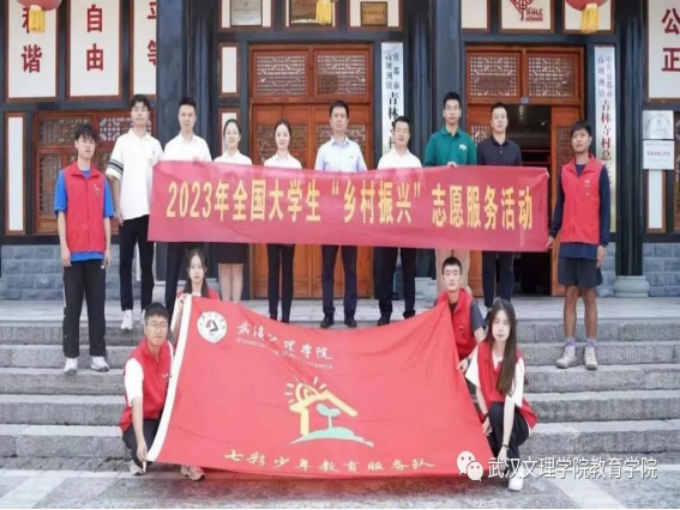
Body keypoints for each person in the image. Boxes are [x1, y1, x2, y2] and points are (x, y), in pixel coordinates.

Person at [548, 121, 610, 371]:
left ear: (590, 140)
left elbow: (605, 209)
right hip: (569, 242)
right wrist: (553, 233)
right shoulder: (565, 171)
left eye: (582, 136)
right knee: (570, 296)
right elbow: (560, 206)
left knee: (590, 296)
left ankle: (591, 348)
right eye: (575, 136)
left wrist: (603, 242)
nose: (578, 140)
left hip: (590, 242)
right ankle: (570, 348)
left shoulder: (599, 170)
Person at [121, 302, 205, 481]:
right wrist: (141, 441)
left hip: (162, 414)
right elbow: (136, 403)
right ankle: (137, 455)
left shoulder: (168, 348)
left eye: (162, 325)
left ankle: (187, 461)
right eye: (154, 325)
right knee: (147, 452)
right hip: (140, 418)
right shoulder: (134, 362)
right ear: (145, 329)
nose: (158, 330)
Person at [56, 122, 114, 375]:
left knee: (97, 308)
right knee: (72, 308)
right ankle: (71, 357)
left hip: (96, 253)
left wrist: (108, 248)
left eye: (92, 141)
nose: (88, 145)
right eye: (84, 140)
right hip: (73, 254)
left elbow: (106, 216)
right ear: (76, 144)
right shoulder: (65, 176)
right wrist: (63, 247)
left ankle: (97, 355)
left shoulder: (101, 179)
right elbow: (61, 213)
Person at [465, 299, 538, 492]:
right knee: (481, 439)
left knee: (498, 410)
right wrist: (486, 416)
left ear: (512, 327)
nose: (500, 328)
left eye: (505, 323)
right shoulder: (482, 350)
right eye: (496, 322)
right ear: (490, 325)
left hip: (516, 421)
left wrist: (504, 447)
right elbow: (478, 389)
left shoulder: (515, 360)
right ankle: (502, 461)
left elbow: (509, 406)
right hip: (494, 416)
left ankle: (515, 467)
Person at [107, 95, 164, 331]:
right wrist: (117, 206)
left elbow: (164, 179)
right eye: (136, 109)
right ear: (131, 114)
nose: (140, 113)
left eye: (143, 109)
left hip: (149, 214)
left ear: (149, 115)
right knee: (125, 264)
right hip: (127, 213)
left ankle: (145, 310)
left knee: (147, 265)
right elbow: (114, 177)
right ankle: (127, 311)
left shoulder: (155, 145)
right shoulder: (122, 142)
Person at [315, 100, 368, 329]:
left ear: (347, 121)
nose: (338, 119)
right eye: (335, 116)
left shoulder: (355, 150)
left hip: (349, 218)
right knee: (327, 268)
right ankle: (328, 313)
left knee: (350, 269)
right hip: (329, 218)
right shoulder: (323, 151)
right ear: (330, 121)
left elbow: (365, 178)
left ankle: (349, 313)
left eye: (342, 116)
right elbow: (316, 182)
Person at [162, 97, 212, 320]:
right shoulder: (170, 147)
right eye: (183, 114)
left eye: (190, 115)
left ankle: (197, 310)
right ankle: (169, 312)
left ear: (195, 118)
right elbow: (164, 179)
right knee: (172, 266)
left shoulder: (202, 146)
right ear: (178, 117)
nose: (187, 119)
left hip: (196, 215)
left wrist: (200, 168)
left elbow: (212, 176)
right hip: (175, 217)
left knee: (196, 263)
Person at [425, 92, 477, 295]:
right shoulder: (435, 140)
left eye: (456, 108)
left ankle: (461, 304)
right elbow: (427, 171)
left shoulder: (468, 142)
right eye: (449, 108)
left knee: (462, 259)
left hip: (462, 208)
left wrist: (460, 172)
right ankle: (442, 304)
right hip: (441, 208)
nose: (452, 112)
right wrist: (443, 170)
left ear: (460, 112)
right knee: (443, 259)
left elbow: (475, 175)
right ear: (443, 112)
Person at [477, 102, 523, 322]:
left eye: (503, 116)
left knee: (507, 265)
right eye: (496, 117)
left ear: (507, 121)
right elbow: (476, 180)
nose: (499, 120)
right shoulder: (482, 148)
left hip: (508, 214)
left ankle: (506, 307)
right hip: (488, 213)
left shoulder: (515, 149)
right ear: (490, 122)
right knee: (488, 264)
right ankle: (488, 308)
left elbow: (522, 181)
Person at [376, 116, 421, 326]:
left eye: (405, 131)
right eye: (398, 130)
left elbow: (421, 190)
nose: (401, 134)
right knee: (387, 268)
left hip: (409, 222)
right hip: (389, 221)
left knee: (409, 269)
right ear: (393, 134)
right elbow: (377, 189)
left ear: (409, 135)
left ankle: (409, 311)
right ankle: (385, 312)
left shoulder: (415, 162)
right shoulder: (384, 161)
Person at [264, 119, 303, 323]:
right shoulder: (268, 164)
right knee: (273, 270)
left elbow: (300, 194)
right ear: (274, 137)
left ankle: (286, 315)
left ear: (290, 138)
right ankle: (272, 314)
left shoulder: (295, 165)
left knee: (287, 271)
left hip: (289, 225)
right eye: (278, 134)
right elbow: (264, 192)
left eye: (285, 134)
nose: (281, 138)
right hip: (272, 223)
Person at [213, 119, 252, 304]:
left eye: (234, 132)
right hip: (222, 220)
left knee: (237, 267)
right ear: (224, 136)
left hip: (239, 219)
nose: (231, 135)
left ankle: (235, 308)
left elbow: (250, 189)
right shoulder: (217, 162)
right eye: (228, 132)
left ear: (240, 136)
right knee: (223, 267)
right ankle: (225, 308)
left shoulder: (246, 162)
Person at [435, 257, 486, 371]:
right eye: (448, 274)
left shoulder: (470, 304)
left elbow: (482, 342)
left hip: (468, 362)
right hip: (446, 360)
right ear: (442, 279)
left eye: (455, 274)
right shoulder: (438, 302)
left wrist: (468, 360)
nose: (451, 278)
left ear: (461, 278)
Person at [171, 249, 220, 336]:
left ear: (205, 269)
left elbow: (218, 329)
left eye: (200, 267)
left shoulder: (213, 296)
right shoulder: (181, 297)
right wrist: (180, 311)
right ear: (188, 270)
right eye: (193, 267)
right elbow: (174, 335)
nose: (196, 271)